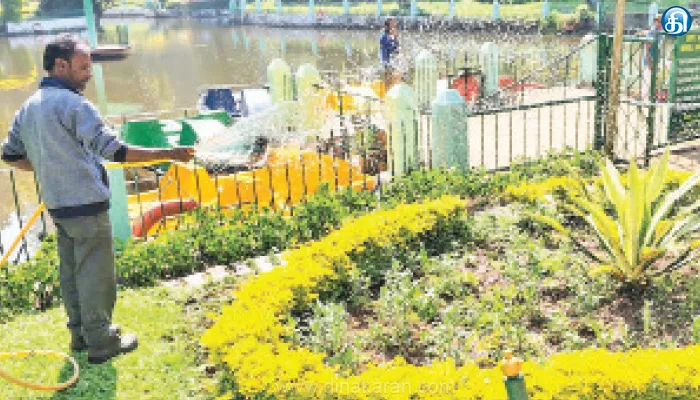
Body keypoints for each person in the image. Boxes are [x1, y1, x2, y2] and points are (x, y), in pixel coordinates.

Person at [1, 35, 195, 364]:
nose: (89, 73)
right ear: (60, 65)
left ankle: (79, 334)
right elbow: (115, 150)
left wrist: (49, 166)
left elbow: (9, 154)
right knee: (96, 273)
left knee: (72, 272)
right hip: (86, 204)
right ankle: (101, 339)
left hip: (58, 206)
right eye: (83, 66)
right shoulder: (74, 105)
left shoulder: (29, 107)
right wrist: (170, 153)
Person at [642, 14, 663, 101]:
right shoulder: (652, 32)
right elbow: (647, 48)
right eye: (658, 21)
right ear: (655, 22)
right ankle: (645, 100)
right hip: (650, 60)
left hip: (657, 60)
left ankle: (653, 99)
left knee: (655, 81)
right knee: (647, 80)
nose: (660, 23)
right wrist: (649, 62)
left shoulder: (661, 32)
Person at [379, 17, 400, 91]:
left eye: (394, 25)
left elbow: (397, 50)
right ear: (387, 27)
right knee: (388, 81)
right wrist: (387, 65)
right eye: (392, 25)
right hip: (387, 63)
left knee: (396, 81)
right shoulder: (384, 37)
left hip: (393, 63)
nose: (394, 27)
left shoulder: (393, 37)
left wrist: (395, 37)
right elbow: (385, 53)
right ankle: (386, 94)